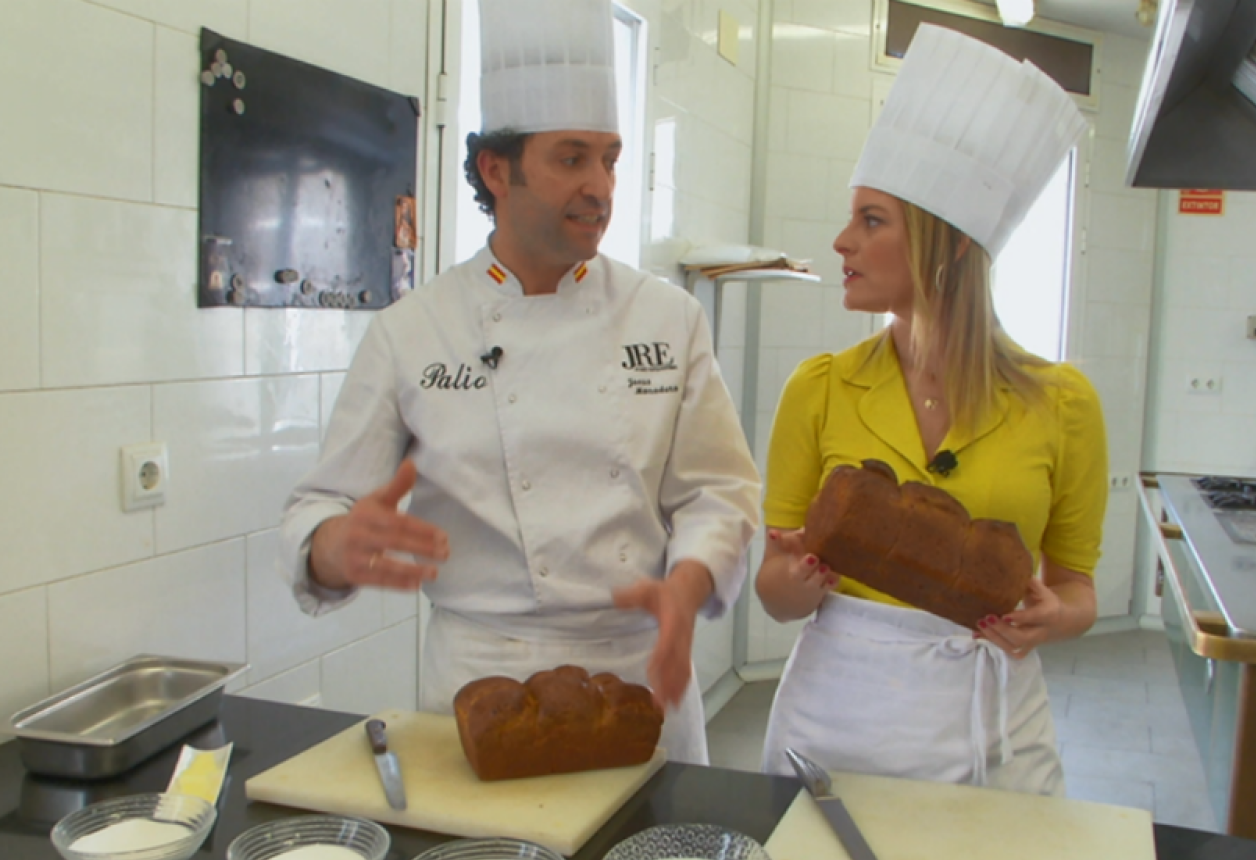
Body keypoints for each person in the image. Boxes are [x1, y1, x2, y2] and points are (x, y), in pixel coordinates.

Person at [279, 0, 759, 765]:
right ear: (494, 170)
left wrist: (688, 584)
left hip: (640, 677)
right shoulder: (416, 329)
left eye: (610, 158)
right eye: (572, 159)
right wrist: (335, 545)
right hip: (481, 689)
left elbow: (719, 492)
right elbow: (321, 506)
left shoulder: (667, 319)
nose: (601, 186)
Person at [754, 24, 1106, 795]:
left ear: (946, 246)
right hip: (837, 720)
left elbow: (1077, 588)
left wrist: (1056, 618)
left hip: (994, 725)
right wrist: (799, 582)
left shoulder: (1063, 403)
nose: (842, 241)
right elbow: (774, 590)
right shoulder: (817, 388)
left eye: (872, 220)